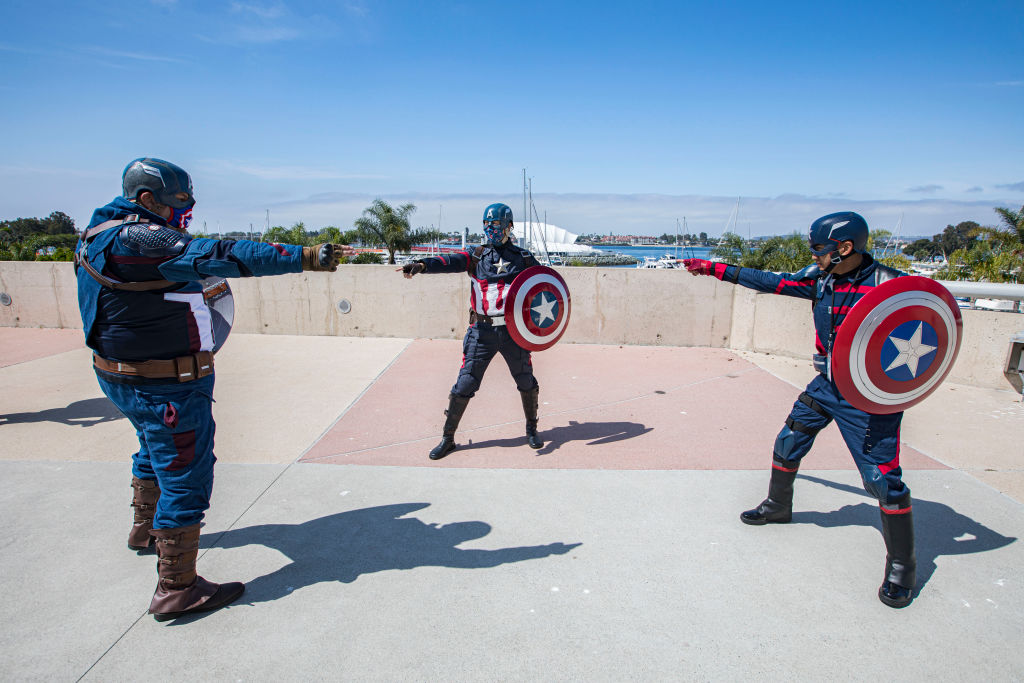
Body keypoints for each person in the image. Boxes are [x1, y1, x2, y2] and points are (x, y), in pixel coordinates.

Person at [75, 157, 355, 621]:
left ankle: (144, 529)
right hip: (165, 384)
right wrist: (303, 257)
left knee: (152, 449)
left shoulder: (96, 233)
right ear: (146, 199)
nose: (184, 211)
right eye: (178, 201)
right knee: (185, 474)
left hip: (123, 377)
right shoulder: (138, 238)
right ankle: (177, 589)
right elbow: (218, 253)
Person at [683, 211, 917, 608]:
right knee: (789, 440)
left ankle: (902, 567)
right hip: (826, 385)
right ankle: (778, 506)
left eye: (819, 249)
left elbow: (930, 328)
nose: (814, 255)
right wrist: (713, 269)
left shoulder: (892, 287)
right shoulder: (821, 279)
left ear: (845, 248)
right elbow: (772, 282)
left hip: (869, 398)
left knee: (883, 481)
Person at [401, 203, 544, 460]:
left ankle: (532, 430)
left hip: (513, 332)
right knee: (465, 383)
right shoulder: (476, 256)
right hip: (481, 331)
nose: (491, 229)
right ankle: (448, 438)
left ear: (509, 226)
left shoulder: (523, 258)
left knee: (525, 380)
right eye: (487, 224)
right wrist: (422, 265)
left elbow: (544, 285)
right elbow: (450, 261)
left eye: (496, 224)